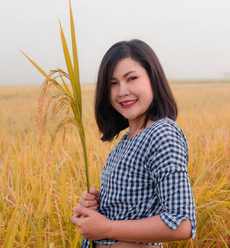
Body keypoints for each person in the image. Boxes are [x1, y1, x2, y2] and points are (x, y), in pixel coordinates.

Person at [70, 39, 197, 247]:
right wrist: (101, 204)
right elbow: (140, 202)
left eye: (131, 78)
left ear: (153, 79)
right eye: (113, 83)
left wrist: (107, 227)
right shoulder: (126, 140)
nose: (122, 91)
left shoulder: (162, 133)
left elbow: (183, 222)